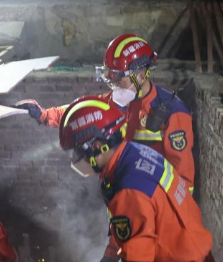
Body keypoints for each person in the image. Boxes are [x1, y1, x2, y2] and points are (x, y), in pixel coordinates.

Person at [58, 96, 218, 262]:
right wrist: (110, 256)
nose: (75, 159)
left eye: (76, 153)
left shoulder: (129, 188)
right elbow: (132, 224)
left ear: (97, 146)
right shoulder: (130, 154)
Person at [16, 34, 197, 194]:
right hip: (124, 189)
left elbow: (183, 180)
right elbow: (82, 113)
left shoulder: (173, 113)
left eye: (119, 80)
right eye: (111, 80)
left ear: (141, 76)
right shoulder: (117, 100)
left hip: (152, 200)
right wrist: (44, 115)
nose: (114, 86)